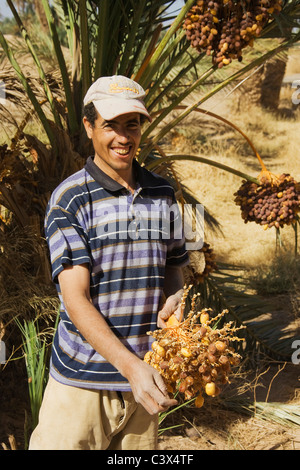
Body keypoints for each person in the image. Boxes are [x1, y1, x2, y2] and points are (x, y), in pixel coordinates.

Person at [29, 75, 189, 450]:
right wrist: (130, 367)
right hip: (84, 382)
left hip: (146, 379)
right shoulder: (71, 199)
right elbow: (75, 298)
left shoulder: (161, 193)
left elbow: (174, 266)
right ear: (89, 126)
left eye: (131, 124)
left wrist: (174, 301)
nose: (123, 137)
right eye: (110, 125)